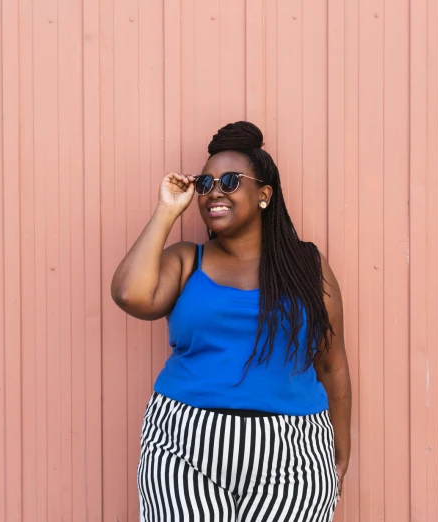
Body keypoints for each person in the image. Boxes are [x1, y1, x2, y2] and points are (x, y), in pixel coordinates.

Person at [111, 121, 352, 521]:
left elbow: (332, 363)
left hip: (293, 451)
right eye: (205, 184)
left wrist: (340, 453)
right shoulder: (188, 260)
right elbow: (130, 294)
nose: (213, 193)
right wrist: (168, 211)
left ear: (263, 194)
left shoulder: (306, 266)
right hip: (183, 446)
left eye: (229, 181)